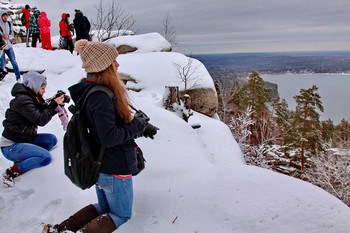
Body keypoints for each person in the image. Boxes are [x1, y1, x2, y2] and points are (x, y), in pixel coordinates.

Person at [43, 40, 158, 233]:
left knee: (104, 209)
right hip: (114, 168)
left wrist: (139, 128)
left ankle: (60, 230)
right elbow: (109, 137)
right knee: (121, 215)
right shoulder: (100, 97)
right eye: (114, 61)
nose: (117, 65)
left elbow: (105, 130)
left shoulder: (91, 91)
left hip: (103, 164)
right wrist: (136, 125)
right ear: (103, 66)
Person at [0, 71, 65, 188]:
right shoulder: (23, 101)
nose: (44, 91)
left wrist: (57, 104)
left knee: (51, 140)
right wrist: (53, 106)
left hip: (24, 139)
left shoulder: (30, 97)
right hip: (11, 146)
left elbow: (43, 111)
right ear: (34, 86)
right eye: (42, 88)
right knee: (46, 157)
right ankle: (11, 172)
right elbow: (40, 120)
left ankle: (28, 155)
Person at [0, 10, 21, 81]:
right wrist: (2, 38)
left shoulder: (9, 24)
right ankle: (0, 76)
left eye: (6, 15)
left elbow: (12, 35)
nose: (5, 17)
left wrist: (8, 36)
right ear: (1, 16)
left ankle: (18, 78)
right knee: (2, 64)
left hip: (9, 47)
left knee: (14, 62)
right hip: (1, 48)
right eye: (4, 16)